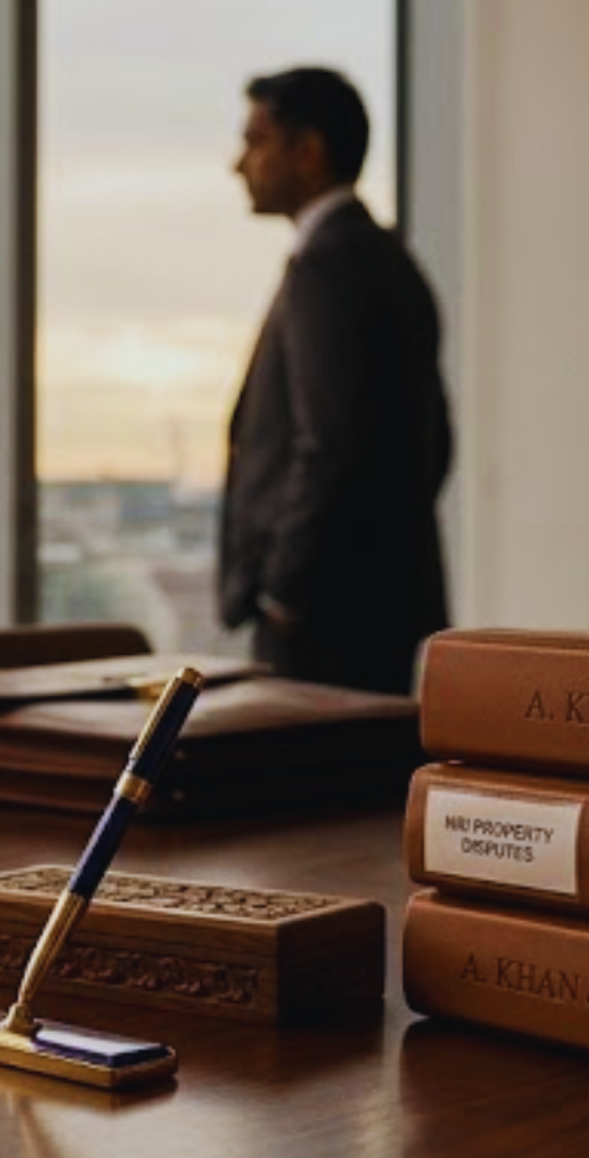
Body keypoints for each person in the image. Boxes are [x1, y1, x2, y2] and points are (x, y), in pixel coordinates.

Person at [218, 66, 453, 696]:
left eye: (256, 141)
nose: (239, 164)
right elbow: (435, 441)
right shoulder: (389, 259)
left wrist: (285, 593)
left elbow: (330, 446)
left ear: (309, 150)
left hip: (324, 623)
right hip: (379, 607)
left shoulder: (329, 265)